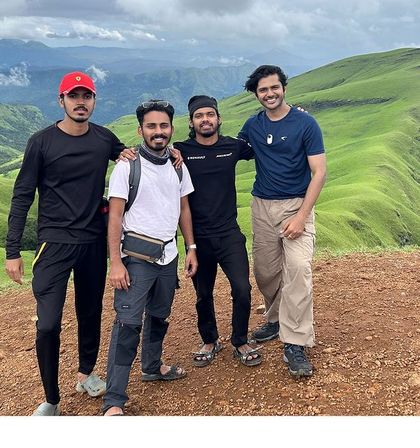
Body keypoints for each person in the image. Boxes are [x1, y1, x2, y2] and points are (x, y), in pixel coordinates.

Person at [4, 71, 135, 416]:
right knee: (48, 324)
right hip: (54, 243)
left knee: (89, 312)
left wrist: (173, 155)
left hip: (93, 242)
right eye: (73, 96)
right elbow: (21, 195)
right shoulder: (42, 141)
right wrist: (13, 251)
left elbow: (133, 158)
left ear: (94, 101)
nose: (81, 102)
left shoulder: (104, 139)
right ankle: (51, 399)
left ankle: (85, 373)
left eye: (86, 96)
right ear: (61, 101)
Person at [102, 99, 198, 417]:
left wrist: (191, 247)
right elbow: (115, 217)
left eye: (164, 126)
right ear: (140, 129)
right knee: (127, 325)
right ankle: (114, 400)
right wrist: (115, 262)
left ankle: (152, 367)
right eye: (152, 126)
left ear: (172, 128)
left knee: (159, 316)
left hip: (168, 254)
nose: (159, 132)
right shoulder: (126, 166)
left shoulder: (176, 163)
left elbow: (183, 208)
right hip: (136, 258)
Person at [238, 65, 326, 378]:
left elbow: (319, 172)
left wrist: (302, 216)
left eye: (274, 87)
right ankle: (275, 319)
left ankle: (295, 341)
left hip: (296, 206)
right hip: (262, 206)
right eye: (263, 90)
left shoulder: (305, 123)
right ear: (256, 94)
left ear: (284, 88)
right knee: (265, 271)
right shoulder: (253, 125)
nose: (270, 94)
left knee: (299, 269)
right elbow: (231, 150)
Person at [174, 95, 262, 368]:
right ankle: (210, 340)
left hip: (228, 233)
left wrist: (293, 119)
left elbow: (267, 145)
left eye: (210, 115)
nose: (205, 120)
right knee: (203, 293)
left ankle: (240, 340)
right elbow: (152, 152)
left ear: (218, 119)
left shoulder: (233, 147)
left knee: (243, 288)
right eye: (199, 116)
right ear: (191, 122)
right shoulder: (180, 150)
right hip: (197, 237)